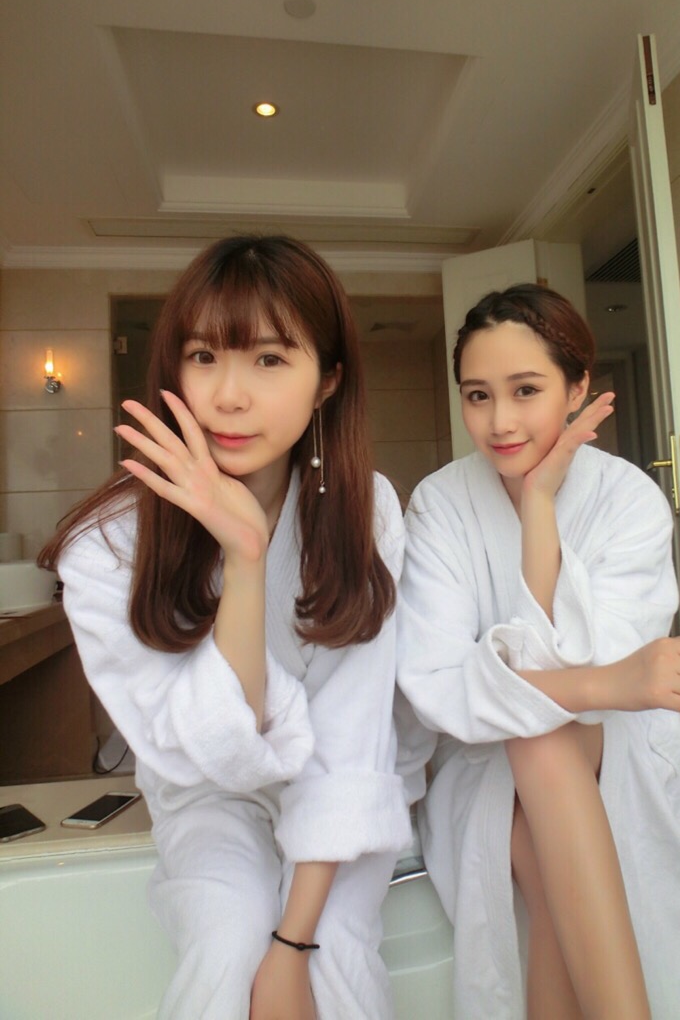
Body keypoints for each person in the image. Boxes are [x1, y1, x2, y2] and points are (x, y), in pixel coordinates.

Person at [40, 235, 412, 1020]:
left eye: (270, 359)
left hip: (336, 793)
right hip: (203, 792)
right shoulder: (108, 544)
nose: (228, 396)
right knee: (228, 940)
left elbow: (352, 739)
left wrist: (295, 946)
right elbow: (204, 752)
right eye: (204, 356)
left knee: (334, 955)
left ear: (328, 381)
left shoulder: (366, 511)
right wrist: (244, 560)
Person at [396, 284, 680, 1020]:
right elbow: (437, 687)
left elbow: (568, 690)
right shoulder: (439, 504)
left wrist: (538, 508)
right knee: (536, 756)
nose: (499, 421)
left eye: (525, 390)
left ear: (577, 388)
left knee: (543, 738)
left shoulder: (628, 500)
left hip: (614, 754)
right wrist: (609, 682)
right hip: (484, 766)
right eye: (477, 395)